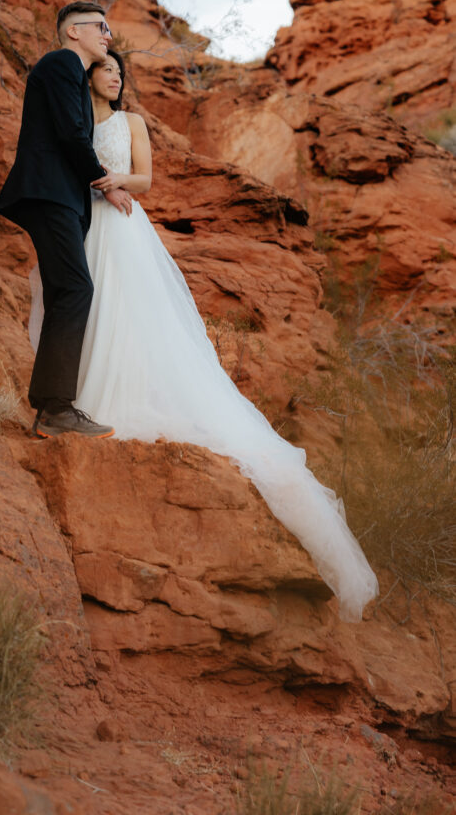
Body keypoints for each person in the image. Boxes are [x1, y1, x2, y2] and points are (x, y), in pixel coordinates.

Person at [29, 49, 379, 622]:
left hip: (122, 226)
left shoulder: (132, 122)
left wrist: (115, 180)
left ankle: (107, 402)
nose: (115, 76)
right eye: (106, 69)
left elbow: (145, 177)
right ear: (88, 76)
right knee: (80, 309)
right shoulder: (76, 120)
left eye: (121, 71)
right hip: (84, 223)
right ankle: (72, 400)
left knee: (130, 317)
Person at [0, 2, 121, 439]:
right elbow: (69, 133)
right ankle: (56, 409)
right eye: (102, 27)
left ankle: (51, 407)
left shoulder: (72, 74)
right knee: (75, 288)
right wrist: (106, 182)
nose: (109, 35)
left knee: (66, 290)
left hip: (56, 196)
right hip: (49, 193)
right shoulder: (62, 61)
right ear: (73, 32)